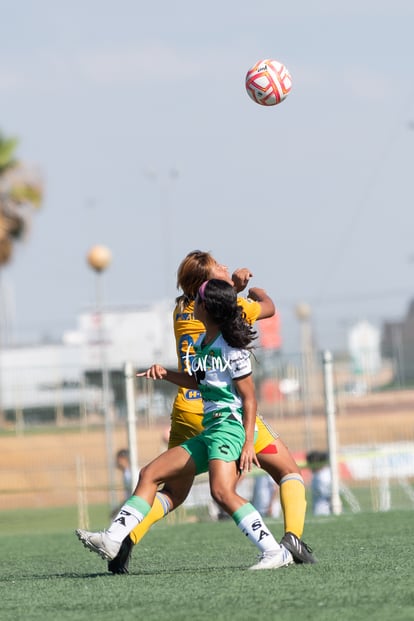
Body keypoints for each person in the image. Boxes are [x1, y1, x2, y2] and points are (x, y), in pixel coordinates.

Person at [108, 250, 315, 572]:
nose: (225, 266)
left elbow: (211, 298)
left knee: (172, 490)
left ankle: (126, 538)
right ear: (210, 284)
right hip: (224, 410)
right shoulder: (229, 312)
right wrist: (251, 289)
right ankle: (290, 540)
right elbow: (267, 308)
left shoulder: (181, 309)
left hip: (186, 408)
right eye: (219, 265)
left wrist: (230, 284)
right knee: (287, 471)